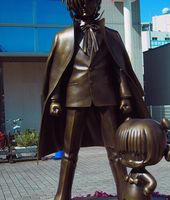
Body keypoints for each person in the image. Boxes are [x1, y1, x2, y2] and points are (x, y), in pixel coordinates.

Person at [38, 0, 150, 199]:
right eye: (79, 4)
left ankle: (124, 192)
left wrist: (124, 95)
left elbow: (119, 70)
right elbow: (58, 73)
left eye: (88, 2)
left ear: (96, 4)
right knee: (69, 152)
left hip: (106, 98)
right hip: (75, 99)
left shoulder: (111, 36)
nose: (84, 7)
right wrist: (55, 99)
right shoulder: (63, 37)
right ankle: (62, 193)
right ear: (72, 7)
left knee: (116, 151)